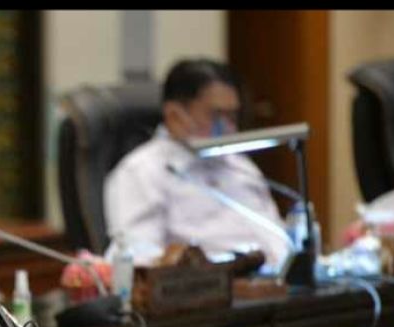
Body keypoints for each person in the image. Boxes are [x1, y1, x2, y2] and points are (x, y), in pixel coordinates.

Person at [102, 58, 291, 269]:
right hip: (203, 290)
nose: (228, 128)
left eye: (232, 116)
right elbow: (139, 257)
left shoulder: (239, 166)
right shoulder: (141, 172)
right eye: (217, 115)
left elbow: (277, 239)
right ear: (174, 116)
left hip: (270, 288)